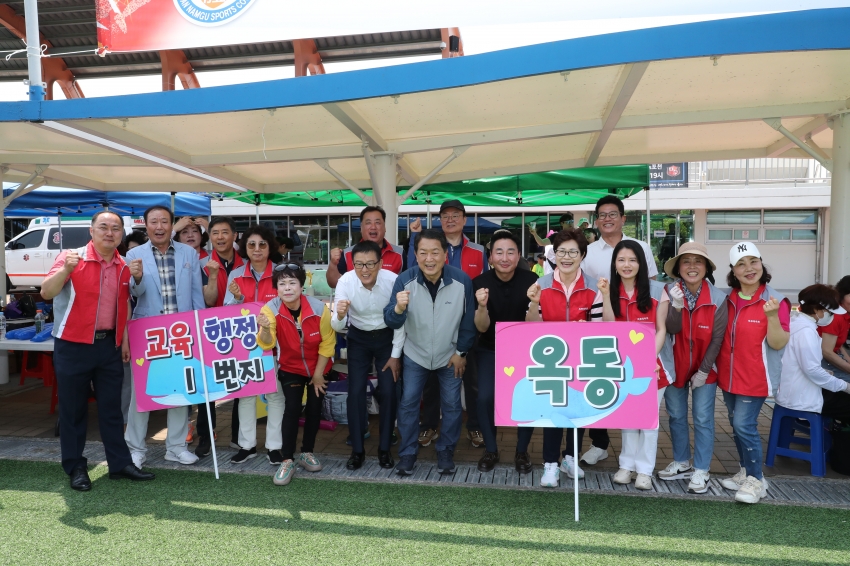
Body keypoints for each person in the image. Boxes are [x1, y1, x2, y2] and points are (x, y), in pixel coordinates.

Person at [40, 211, 155, 491]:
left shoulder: (124, 264)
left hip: (109, 346)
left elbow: (125, 304)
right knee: (73, 411)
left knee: (112, 409)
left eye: (116, 228)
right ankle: (76, 467)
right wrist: (66, 270)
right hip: (72, 345)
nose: (109, 232)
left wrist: (124, 340)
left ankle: (119, 464)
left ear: (121, 234)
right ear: (91, 231)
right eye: (103, 227)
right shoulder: (72, 257)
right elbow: (46, 292)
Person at [385, 229, 476, 475]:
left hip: (450, 355)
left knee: (452, 405)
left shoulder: (462, 281)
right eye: (423, 252)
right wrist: (398, 308)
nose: (429, 258)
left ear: (445, 254)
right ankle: (407, 453)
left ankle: (445, 450)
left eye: (435, 252)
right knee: (408, 403)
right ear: (415, 255)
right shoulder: (404, 280)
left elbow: (469, 322)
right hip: (416, 353)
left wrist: (461, 352)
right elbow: (391, 321)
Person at [578, 195, 659, 467]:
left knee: (631, 391)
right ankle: (599, 443)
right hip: (602, 327)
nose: (607, 219)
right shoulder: (588, 252)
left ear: (623, 218)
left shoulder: (641, 247)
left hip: (635, 330)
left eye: (613, 214)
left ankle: (636, 460)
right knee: (598, 385)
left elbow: (651, 288)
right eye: (602, 215)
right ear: (596, 221)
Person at [125, 205, 206, 469]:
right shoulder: (133, 254)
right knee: (142, 393)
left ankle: (176, 447)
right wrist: (136, 278)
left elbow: (196, 294)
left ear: (173, 225)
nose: (159, 226)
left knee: (180, 390)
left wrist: (199, 328)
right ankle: (135, 448)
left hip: (182, 332)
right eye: (153, 222)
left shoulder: (188, 253)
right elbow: (134, 294)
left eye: (164, 221)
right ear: (145, 226)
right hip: (148, 332)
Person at [713, 241, 790, 504]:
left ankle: (757, 481)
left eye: (753, 262)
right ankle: (746, 471)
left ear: (761, 264)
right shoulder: (728, 298)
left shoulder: (775, 300)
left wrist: (771, 317)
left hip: (756, 377)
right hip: (729, 376)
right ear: (733, 271)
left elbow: (779, 343)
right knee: (736, 427)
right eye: (741, 264)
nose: (749, 269)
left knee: (744, 426)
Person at [526, 229, 604, 487]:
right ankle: (549, 464)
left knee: (578, 411)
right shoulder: (541, 285)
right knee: (552, 413)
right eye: (561, 251)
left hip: (582, 360)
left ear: (582, 255)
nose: (567, 257)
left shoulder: (594, 287)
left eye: (573, 252)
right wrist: (533, 304)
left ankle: (570, 458)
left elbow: (598, 327)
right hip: (551, 362)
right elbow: (531, 326)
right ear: (553, 254)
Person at [408, 200, 487, 449]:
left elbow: (483, 285)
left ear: (465, 220)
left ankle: (474, 427)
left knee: (471, 382)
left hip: (467, 326)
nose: (450, 219)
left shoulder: (478, 250)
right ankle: (429, 426)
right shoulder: (432, 246)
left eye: (456, 215)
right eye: (445, 216)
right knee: (431, 383)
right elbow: (413, 271)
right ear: (439, 220)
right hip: (433, 326)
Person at [599, 240, 672, 490]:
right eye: (621, 260)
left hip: (653, 366)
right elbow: (608, 326)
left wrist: (647, 360)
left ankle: (645, 470)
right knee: (628, 417)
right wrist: (605, 296)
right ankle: (626, 466)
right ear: (615, 264)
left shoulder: (657, 290)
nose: (627, 265)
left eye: (632, 260)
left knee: (648, 419)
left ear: (641, 263)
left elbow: (661, 329)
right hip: (621, 366)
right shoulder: (610, 289)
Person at [256, 262, 336, 486]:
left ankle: (307, 452)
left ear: (302, 285)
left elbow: (328, 343)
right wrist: (263, 328)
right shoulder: (269, 309)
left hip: (319, 365)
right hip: (290, 367)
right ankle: (287, 459)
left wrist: (318, 374)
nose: (288, 288)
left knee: (314, 409)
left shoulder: (320, 308)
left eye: (293, 282)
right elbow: (267, 343)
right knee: (291, 408)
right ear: (277, 288)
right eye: (282, 284)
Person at [658, 242, 727, 494]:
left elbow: (718, 338)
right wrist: (676, 305)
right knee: (676, 416)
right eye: (686, 261)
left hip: (704, 366)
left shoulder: (718, 298)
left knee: (703, 418)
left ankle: (701, 469)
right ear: (678, 267)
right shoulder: (667, 291)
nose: (692, 266)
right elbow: (672, 329)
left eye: (698, 261)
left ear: (706, 267)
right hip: (675, 365)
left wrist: (705, 370)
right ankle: (681, 461)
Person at [331, 241, 405, 470]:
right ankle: (357, 451)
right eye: (359, 264)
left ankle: (384, 448)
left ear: (380, 263)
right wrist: (341, 314)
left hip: (386, 338)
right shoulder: (345, 281)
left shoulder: (392, 280)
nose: (365, 269)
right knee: (354, 392)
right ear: (352, 265)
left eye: (370, 264)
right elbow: (336, 323)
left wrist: (395, 356)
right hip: (359, 338)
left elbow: (401, 321)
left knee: (389, 390)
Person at [473, 231, 540, 473]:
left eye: (510, 252)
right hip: (489, 349)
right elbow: (481, 327)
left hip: (524, 351)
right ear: (490, 257)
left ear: (519, 255)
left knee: (526, 398)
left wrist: (534, 302)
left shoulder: (531, 280)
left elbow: (534, 323)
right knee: (484, 398)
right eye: (499, 252)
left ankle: (522, 451)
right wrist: (481, 306)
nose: (505, 257)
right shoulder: (479, 283)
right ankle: (491, 449)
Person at [223, 225, 283, 464]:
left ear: (270, 248)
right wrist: (237, 298)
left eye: (262, 244)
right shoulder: (236, 275)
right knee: (247, 396)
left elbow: (291, 305)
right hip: (245, 347)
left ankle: (275, 447)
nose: (257, 249)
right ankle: (246, 445)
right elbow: (226, 314)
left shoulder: (281, 273)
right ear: (245, 248)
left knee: (276, 396)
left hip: (276, 346)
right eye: (251, 245)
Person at [196, 216, 244, 457]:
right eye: (215, 233)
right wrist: (213, 275)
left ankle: (238, 436)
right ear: (210, 237)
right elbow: (209, 299)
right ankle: (206, 435)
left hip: (240, 331)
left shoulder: (246, 263)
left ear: (234, 235)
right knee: (207, 387)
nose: (220, 237)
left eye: (225, 232)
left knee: (240, 384)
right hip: (210, 330)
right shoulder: (202, 264)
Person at [776, 285, 850, 422]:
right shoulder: (806, 331)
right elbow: (812, 370)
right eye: (830, 312)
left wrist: (825, 371)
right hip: (802, 398)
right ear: (816, 309)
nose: (831, 317)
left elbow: (802, 364)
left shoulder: (794, 322)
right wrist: (845, 386)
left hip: (792, 391)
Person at [327, 206, 404, 288]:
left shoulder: (399, 254)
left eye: (377, 222)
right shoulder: (347, 254)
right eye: (368, 223)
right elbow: (334, 284)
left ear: (385, 227)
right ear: (361, 227)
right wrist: (333, 264)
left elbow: (406, 284)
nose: (373, 227)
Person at [121, 229, 149, 426]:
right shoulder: (123, 266)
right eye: (131, 251)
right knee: (128, 384)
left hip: (142, 330)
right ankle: (125, 425)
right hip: (127, 332)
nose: (136, 257)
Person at [819, 276, 850, 382]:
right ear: (841, 295)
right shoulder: (836, 315)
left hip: (832, 357)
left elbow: (838, 344)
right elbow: (826, 351)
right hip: (821, 361)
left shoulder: (846, 314)